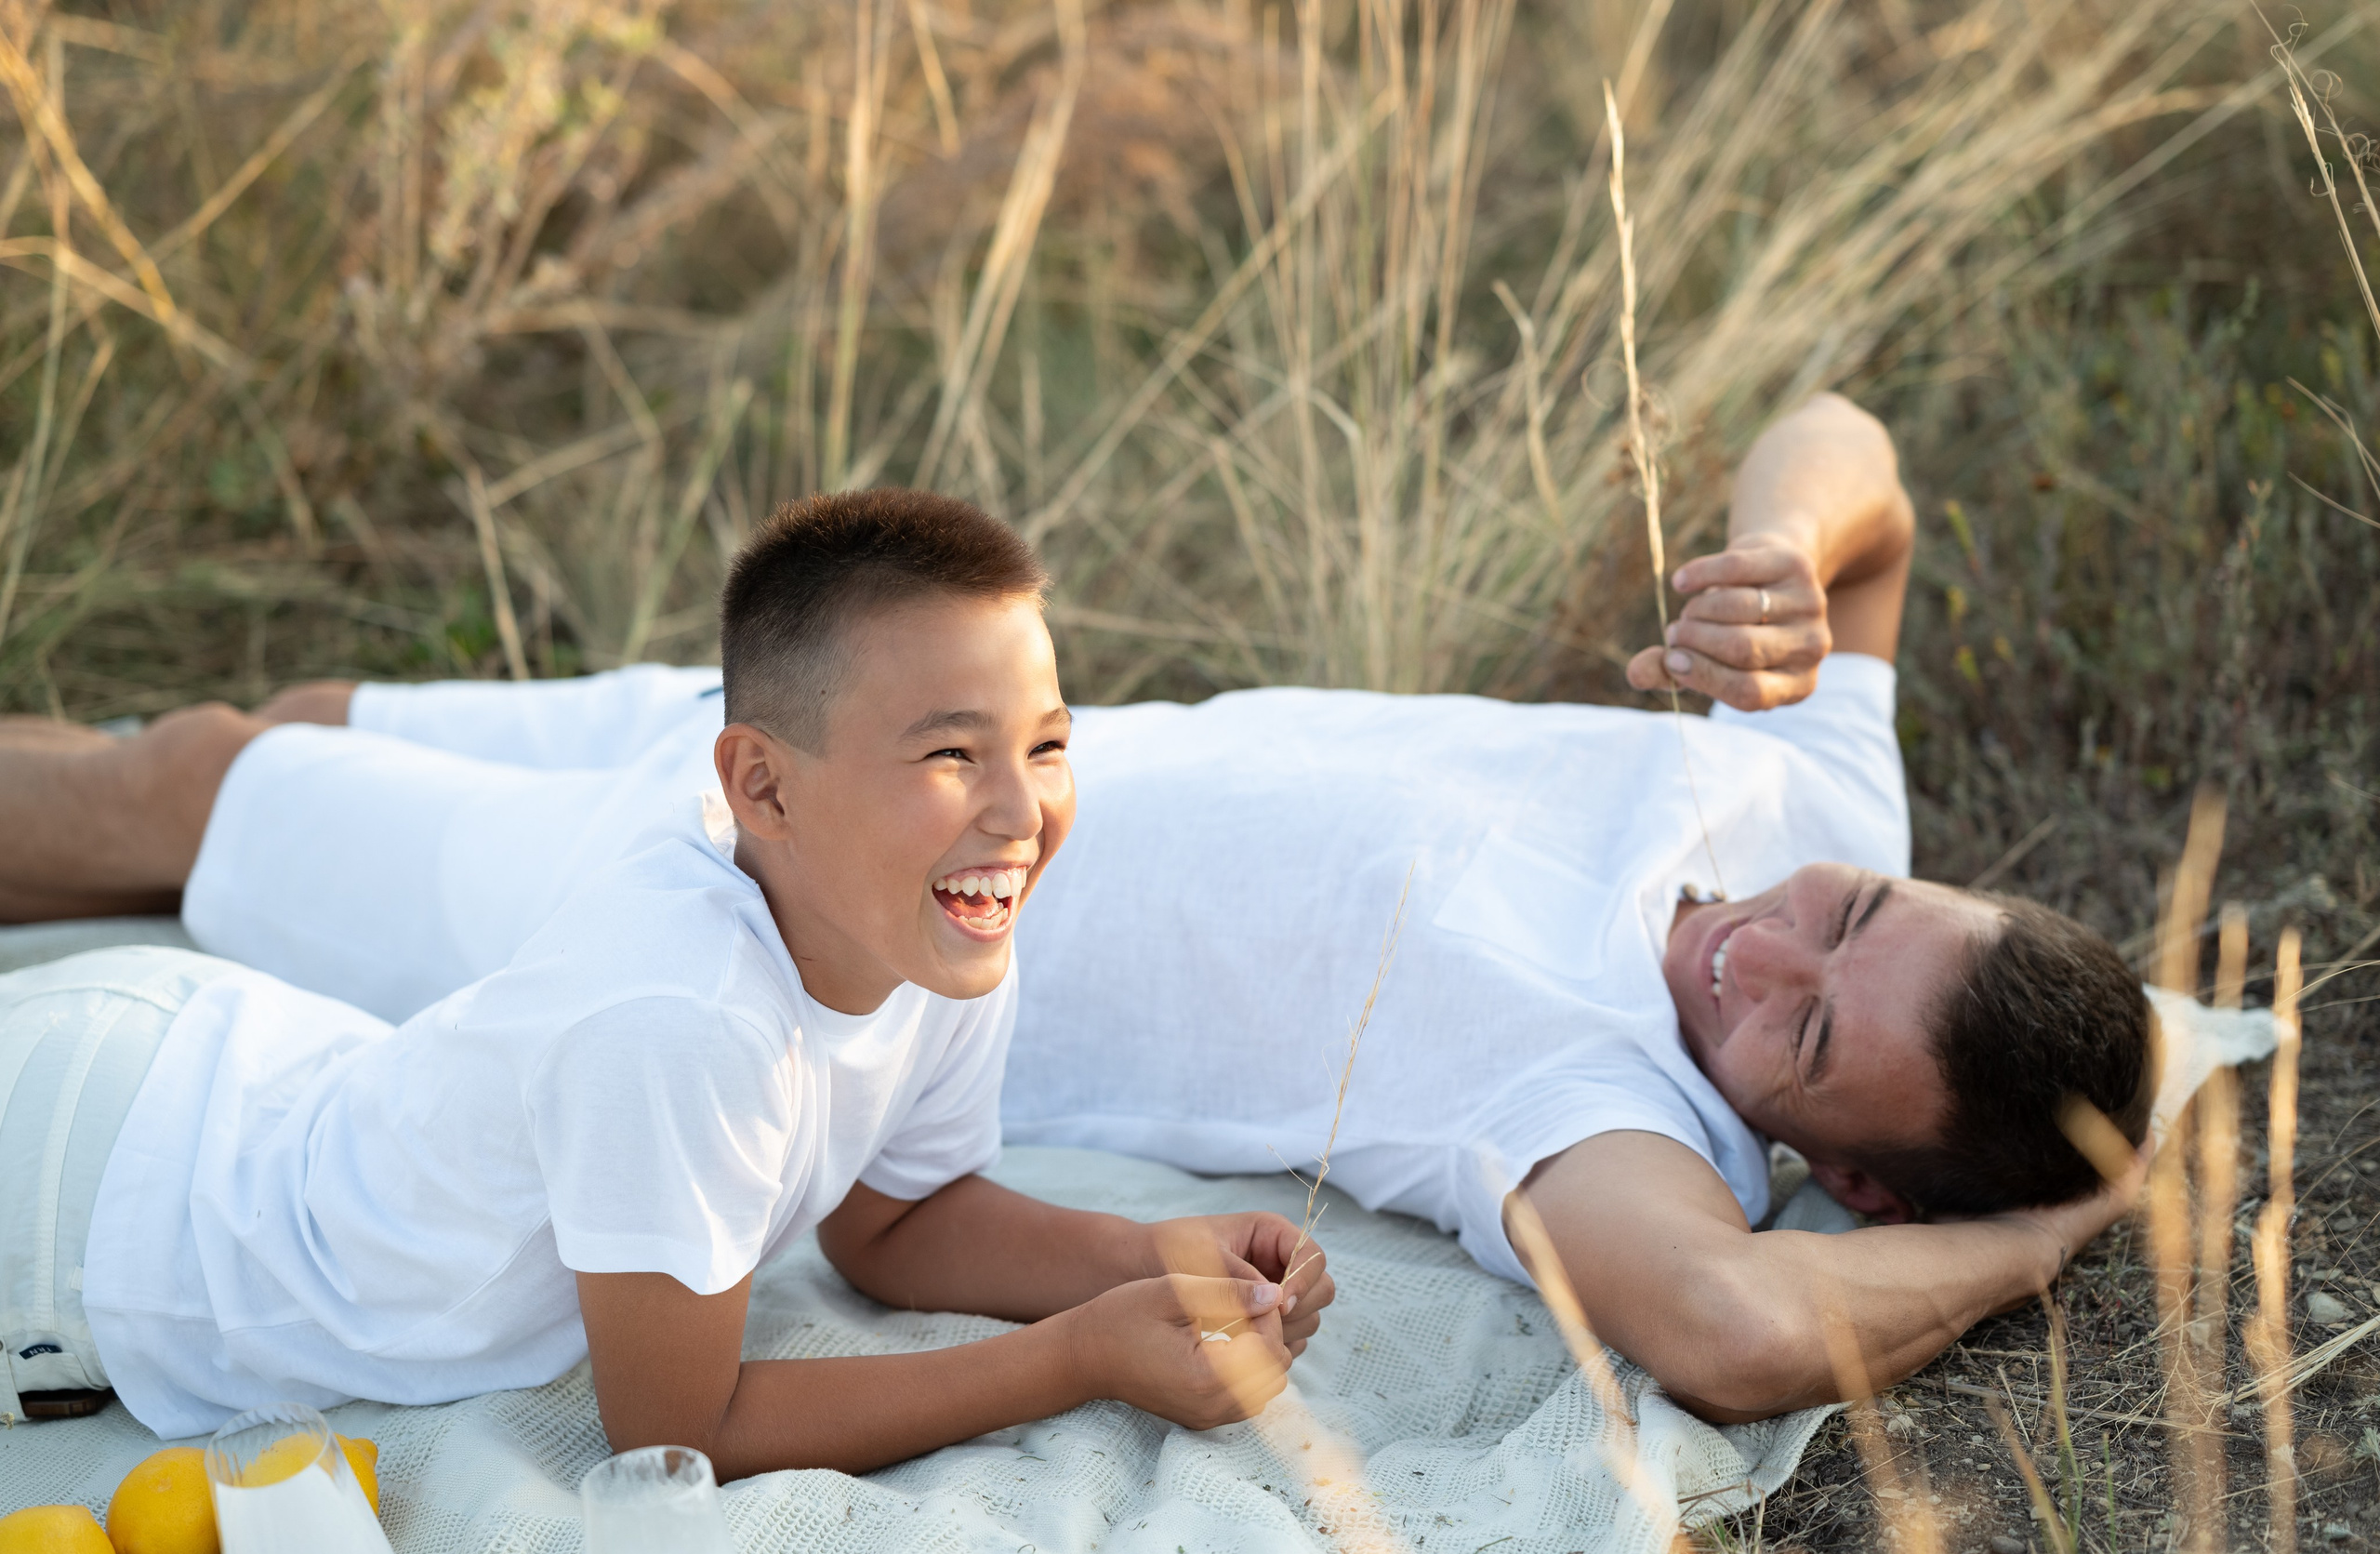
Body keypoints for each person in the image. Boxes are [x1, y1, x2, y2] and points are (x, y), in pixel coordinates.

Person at [0, 395, 2149, 1426]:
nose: (1752, 949)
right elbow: (1851, 461)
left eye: (1787, 1036)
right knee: (240, 734)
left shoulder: (1600, 1117)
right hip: (875, 734)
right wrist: (1785, 530)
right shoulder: (1799, 779)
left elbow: (1739, 1333)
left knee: (194, 799)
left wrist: (2049, 1230)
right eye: (1843, 909)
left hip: (830, 920)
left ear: (1833, 1169)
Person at [0, 492, 1335, 1467]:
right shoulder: (685, 1018)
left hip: (223, 1067)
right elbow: (679, 1429)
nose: (1021, 814)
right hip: (87, 1204)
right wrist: (1075, 1354)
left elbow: (895, 1221)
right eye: (949, 756)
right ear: (761, 782)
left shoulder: (931, 922)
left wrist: (1159, 1261)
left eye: (1046, 745)